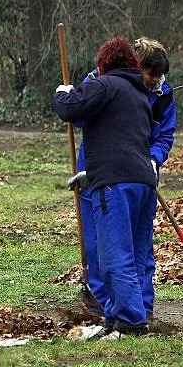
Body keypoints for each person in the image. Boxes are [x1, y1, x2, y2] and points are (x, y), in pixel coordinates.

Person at [53, 37, 159, 338]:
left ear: (105, 64)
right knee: (136, 254)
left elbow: (71, 109)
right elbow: (117, 134)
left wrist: (62, 94)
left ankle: (130, 322)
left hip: (115, 186)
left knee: (114, 254)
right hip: (143, 185)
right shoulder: (138, 94)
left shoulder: (106, 85)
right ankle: (115, 317)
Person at [71, 38, 176, 329]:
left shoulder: (163, 95)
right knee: (99, 242)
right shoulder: (101, 80)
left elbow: (164, 136)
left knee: (139, 244)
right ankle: (105, 305)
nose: (153, 81)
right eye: (149, 74)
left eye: (158, 77)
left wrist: (154, 159)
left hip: (141, 175)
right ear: (134, 64)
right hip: (100, 171)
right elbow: (78, 117)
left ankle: (142, 307)